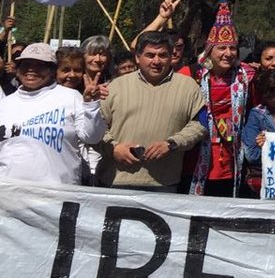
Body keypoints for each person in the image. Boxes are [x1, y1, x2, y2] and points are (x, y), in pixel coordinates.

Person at [99, 31, 206, 192]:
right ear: (137, 57)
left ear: (171, 57)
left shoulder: (189, 87)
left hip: (163, 184)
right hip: (115, 181)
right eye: (150, 55)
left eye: (162, 55)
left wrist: (173, 144)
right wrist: (113, 148)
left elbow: (201, 124)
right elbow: (95, 127)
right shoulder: (114, 87)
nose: (156, 61)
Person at [0, 43, 105, 184]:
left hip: (58, 197)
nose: (31, 69)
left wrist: (91, 105)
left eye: (39, 65)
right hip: (10, 196)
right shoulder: (5, 104)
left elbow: (92, 137)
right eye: (26, 64)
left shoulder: (71, 97)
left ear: (52, 70)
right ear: (17, 70)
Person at [189, 1, 256, 197]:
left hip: (232, 154)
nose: (228, 53)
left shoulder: (246, 75)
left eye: (232, 48)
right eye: (222, 48)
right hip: (198, 153)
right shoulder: (192, 74)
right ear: (210, 50)